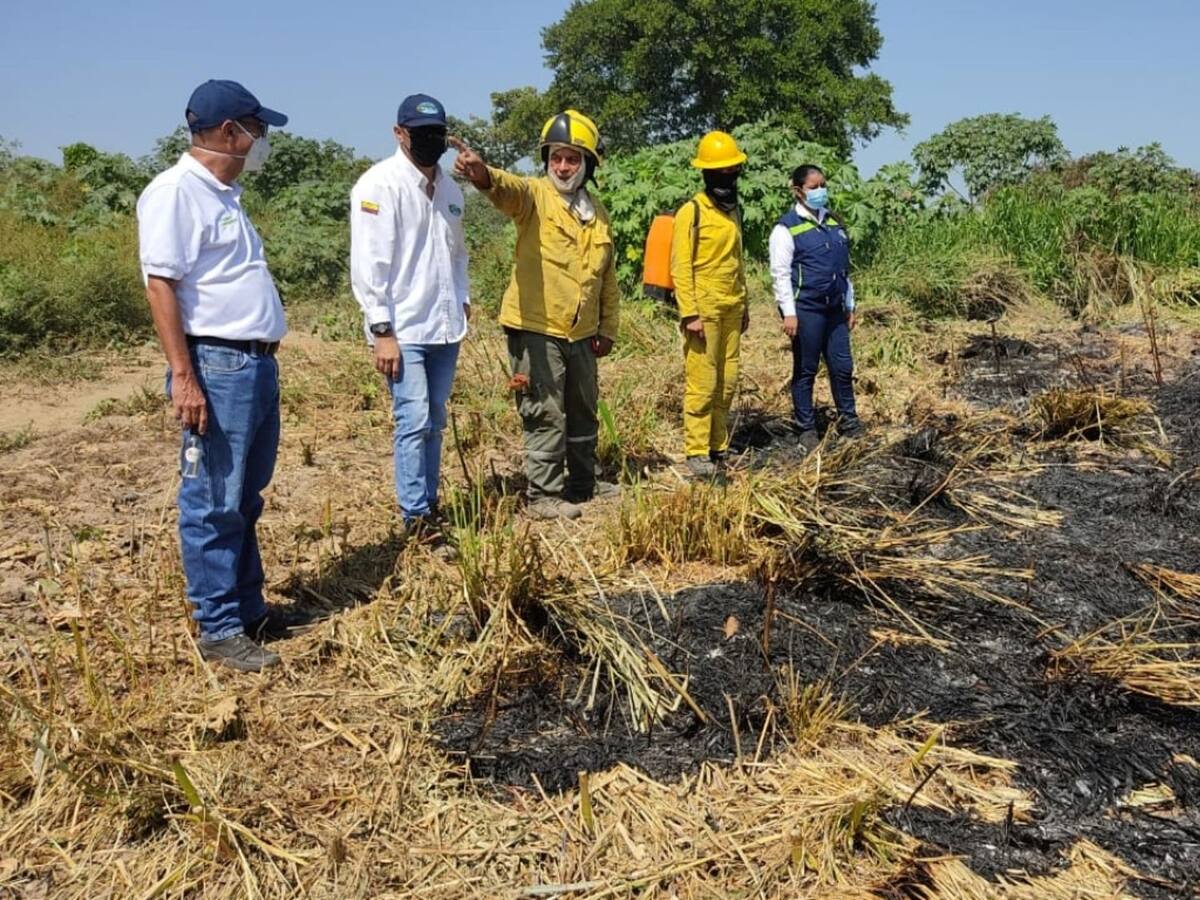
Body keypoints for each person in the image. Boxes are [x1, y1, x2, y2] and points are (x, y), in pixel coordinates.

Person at [137, 79, 303, 672]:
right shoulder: (176, 192)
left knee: (244, 497)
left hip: (254, 363)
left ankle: (249, 608)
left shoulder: (225, 195)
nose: (262, 140)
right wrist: (184, 375)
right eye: (257, 129)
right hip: (217, 364)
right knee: (212, 500)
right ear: (230, 132)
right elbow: (161, 285)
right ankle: (218, 626)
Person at [452, 110, 619, 520]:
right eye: (555, 157)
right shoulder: (533, 196)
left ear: (588, 163)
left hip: (582, 333)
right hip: (536, 329)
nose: (562, 167)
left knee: (583, 409)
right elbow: (505, 189)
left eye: (572, 159)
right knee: (545, 412)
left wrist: (607, 328)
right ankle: (543, 495)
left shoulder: (596, 211)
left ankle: (583, 482)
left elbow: (607, 279)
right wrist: (482, 174)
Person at [350, 94, 469, 552]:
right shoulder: (379, 185)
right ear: (399, 133)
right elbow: (369, 264)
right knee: (414, 419)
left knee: (434, 420)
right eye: (420, 134)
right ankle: (416, 517)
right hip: (403, 330)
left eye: (437, 133)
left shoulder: (451, 191)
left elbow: (457, 254)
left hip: (444, 327)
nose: (430, 141)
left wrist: (463, 299)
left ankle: (430, 504)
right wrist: (381, 330)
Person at [671, 131, 750, 479]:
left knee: (727, 381)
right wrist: (690, 313)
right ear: (707, 173)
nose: (728, 177)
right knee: (703, 382)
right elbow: (680, 265)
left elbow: (737, 260)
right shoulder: (691, 212)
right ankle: (697, 450)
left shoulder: (733, 212)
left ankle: (718, 445)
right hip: (703, 309)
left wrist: (745, 304)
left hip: (732, 306)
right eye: (721, 171)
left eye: (733, 170)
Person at [768, 164, 862, 453]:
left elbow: (844, 269)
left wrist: (849, 305)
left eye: (823, 185)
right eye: (813, 187)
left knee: (842, 367)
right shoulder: (786, 228)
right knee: (806, 369)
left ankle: (850, 422)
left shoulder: (834, 223)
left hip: (835, 310)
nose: (820, 191)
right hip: (806, 310)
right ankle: (806, 427)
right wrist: (789, 313)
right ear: (798, 191)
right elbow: (780, 274)